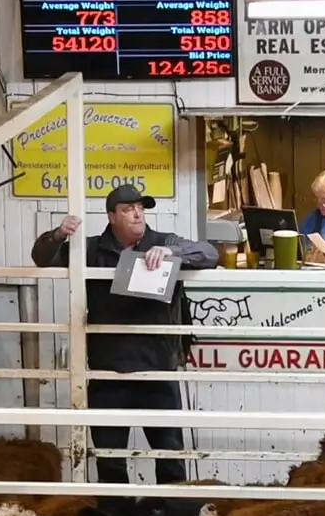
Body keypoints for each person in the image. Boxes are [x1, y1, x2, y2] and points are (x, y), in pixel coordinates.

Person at [30, 184, 218, 485]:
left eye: (141, 208)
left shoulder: (163, 241)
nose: (138, 213)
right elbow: (42, 258)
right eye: (129, 209)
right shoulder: (90, 249)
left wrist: (173, 252)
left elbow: (209, 253)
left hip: (158, 370)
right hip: (109, 372)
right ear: (111, 216)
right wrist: (57, 235)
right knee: (109, 459)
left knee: (169, 455)